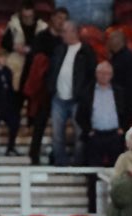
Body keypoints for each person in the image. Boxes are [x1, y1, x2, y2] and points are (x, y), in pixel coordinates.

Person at [45, 21, 97, 166]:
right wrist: (51, 87)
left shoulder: (86, 51)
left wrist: (85, 95)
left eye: (64, 31)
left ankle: (78, 163)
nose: (62, 34)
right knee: (57, 134)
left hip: (77, 100)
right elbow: (52, 70)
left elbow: (91, 75)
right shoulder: (59, 49)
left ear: (74, 32)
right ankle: (60, 162)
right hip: (58, 98)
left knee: (80, 133)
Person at [25, 7, 68, 165]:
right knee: (40, 122)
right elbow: (35, 62)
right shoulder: (41, 37)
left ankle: (57, 156)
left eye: (64, 18)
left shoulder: (65, 40)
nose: (61, 21)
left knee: (60, 125)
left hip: (62, 86)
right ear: (52, 18)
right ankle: (34, 154)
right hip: (43, 87)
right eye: (58, 17)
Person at [80, 62, 130, 168]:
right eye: (101, 73)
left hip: (115, 135)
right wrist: (88, 130)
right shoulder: (87, 91)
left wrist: (122, 129)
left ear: (111, 75)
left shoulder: (120, 91)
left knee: (117, 169)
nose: (104, 76)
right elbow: (80, 114)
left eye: (107, 73)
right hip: (95, 135)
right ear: (96, 74)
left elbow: (127, 112)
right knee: (93, 169)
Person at [1, 1, 46, 116]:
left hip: (34, 65)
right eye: (25, 16)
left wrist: (30, 50)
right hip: (17, 65)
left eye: (29, 16)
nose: (27, 19)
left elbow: (45, 46)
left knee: (33, 96)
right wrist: (15, 47)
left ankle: (31, 123)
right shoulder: (13, 24)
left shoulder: (42, 27)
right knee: (16, 96)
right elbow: (4, 43)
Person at [107, 30, 132, 123]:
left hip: (125, 101)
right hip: (114, 99)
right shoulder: (114, 57)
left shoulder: (129, 57)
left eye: (111, 40)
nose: (108, 42)